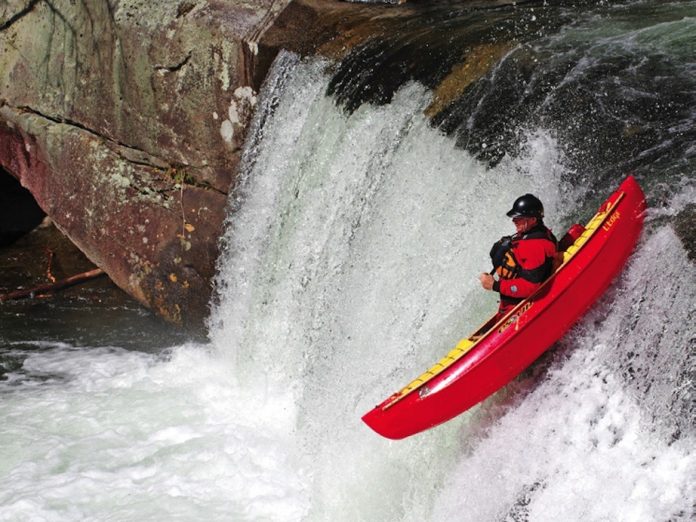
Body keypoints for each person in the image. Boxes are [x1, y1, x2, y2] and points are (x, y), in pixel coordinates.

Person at [479, 193, 557, 319]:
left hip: (518, 308)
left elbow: (531, 286)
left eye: (519, 218)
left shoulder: (534, 247)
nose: (514, 221)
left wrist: (495, 285)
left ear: (533, 219)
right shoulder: (540, 232)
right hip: (512, 303)